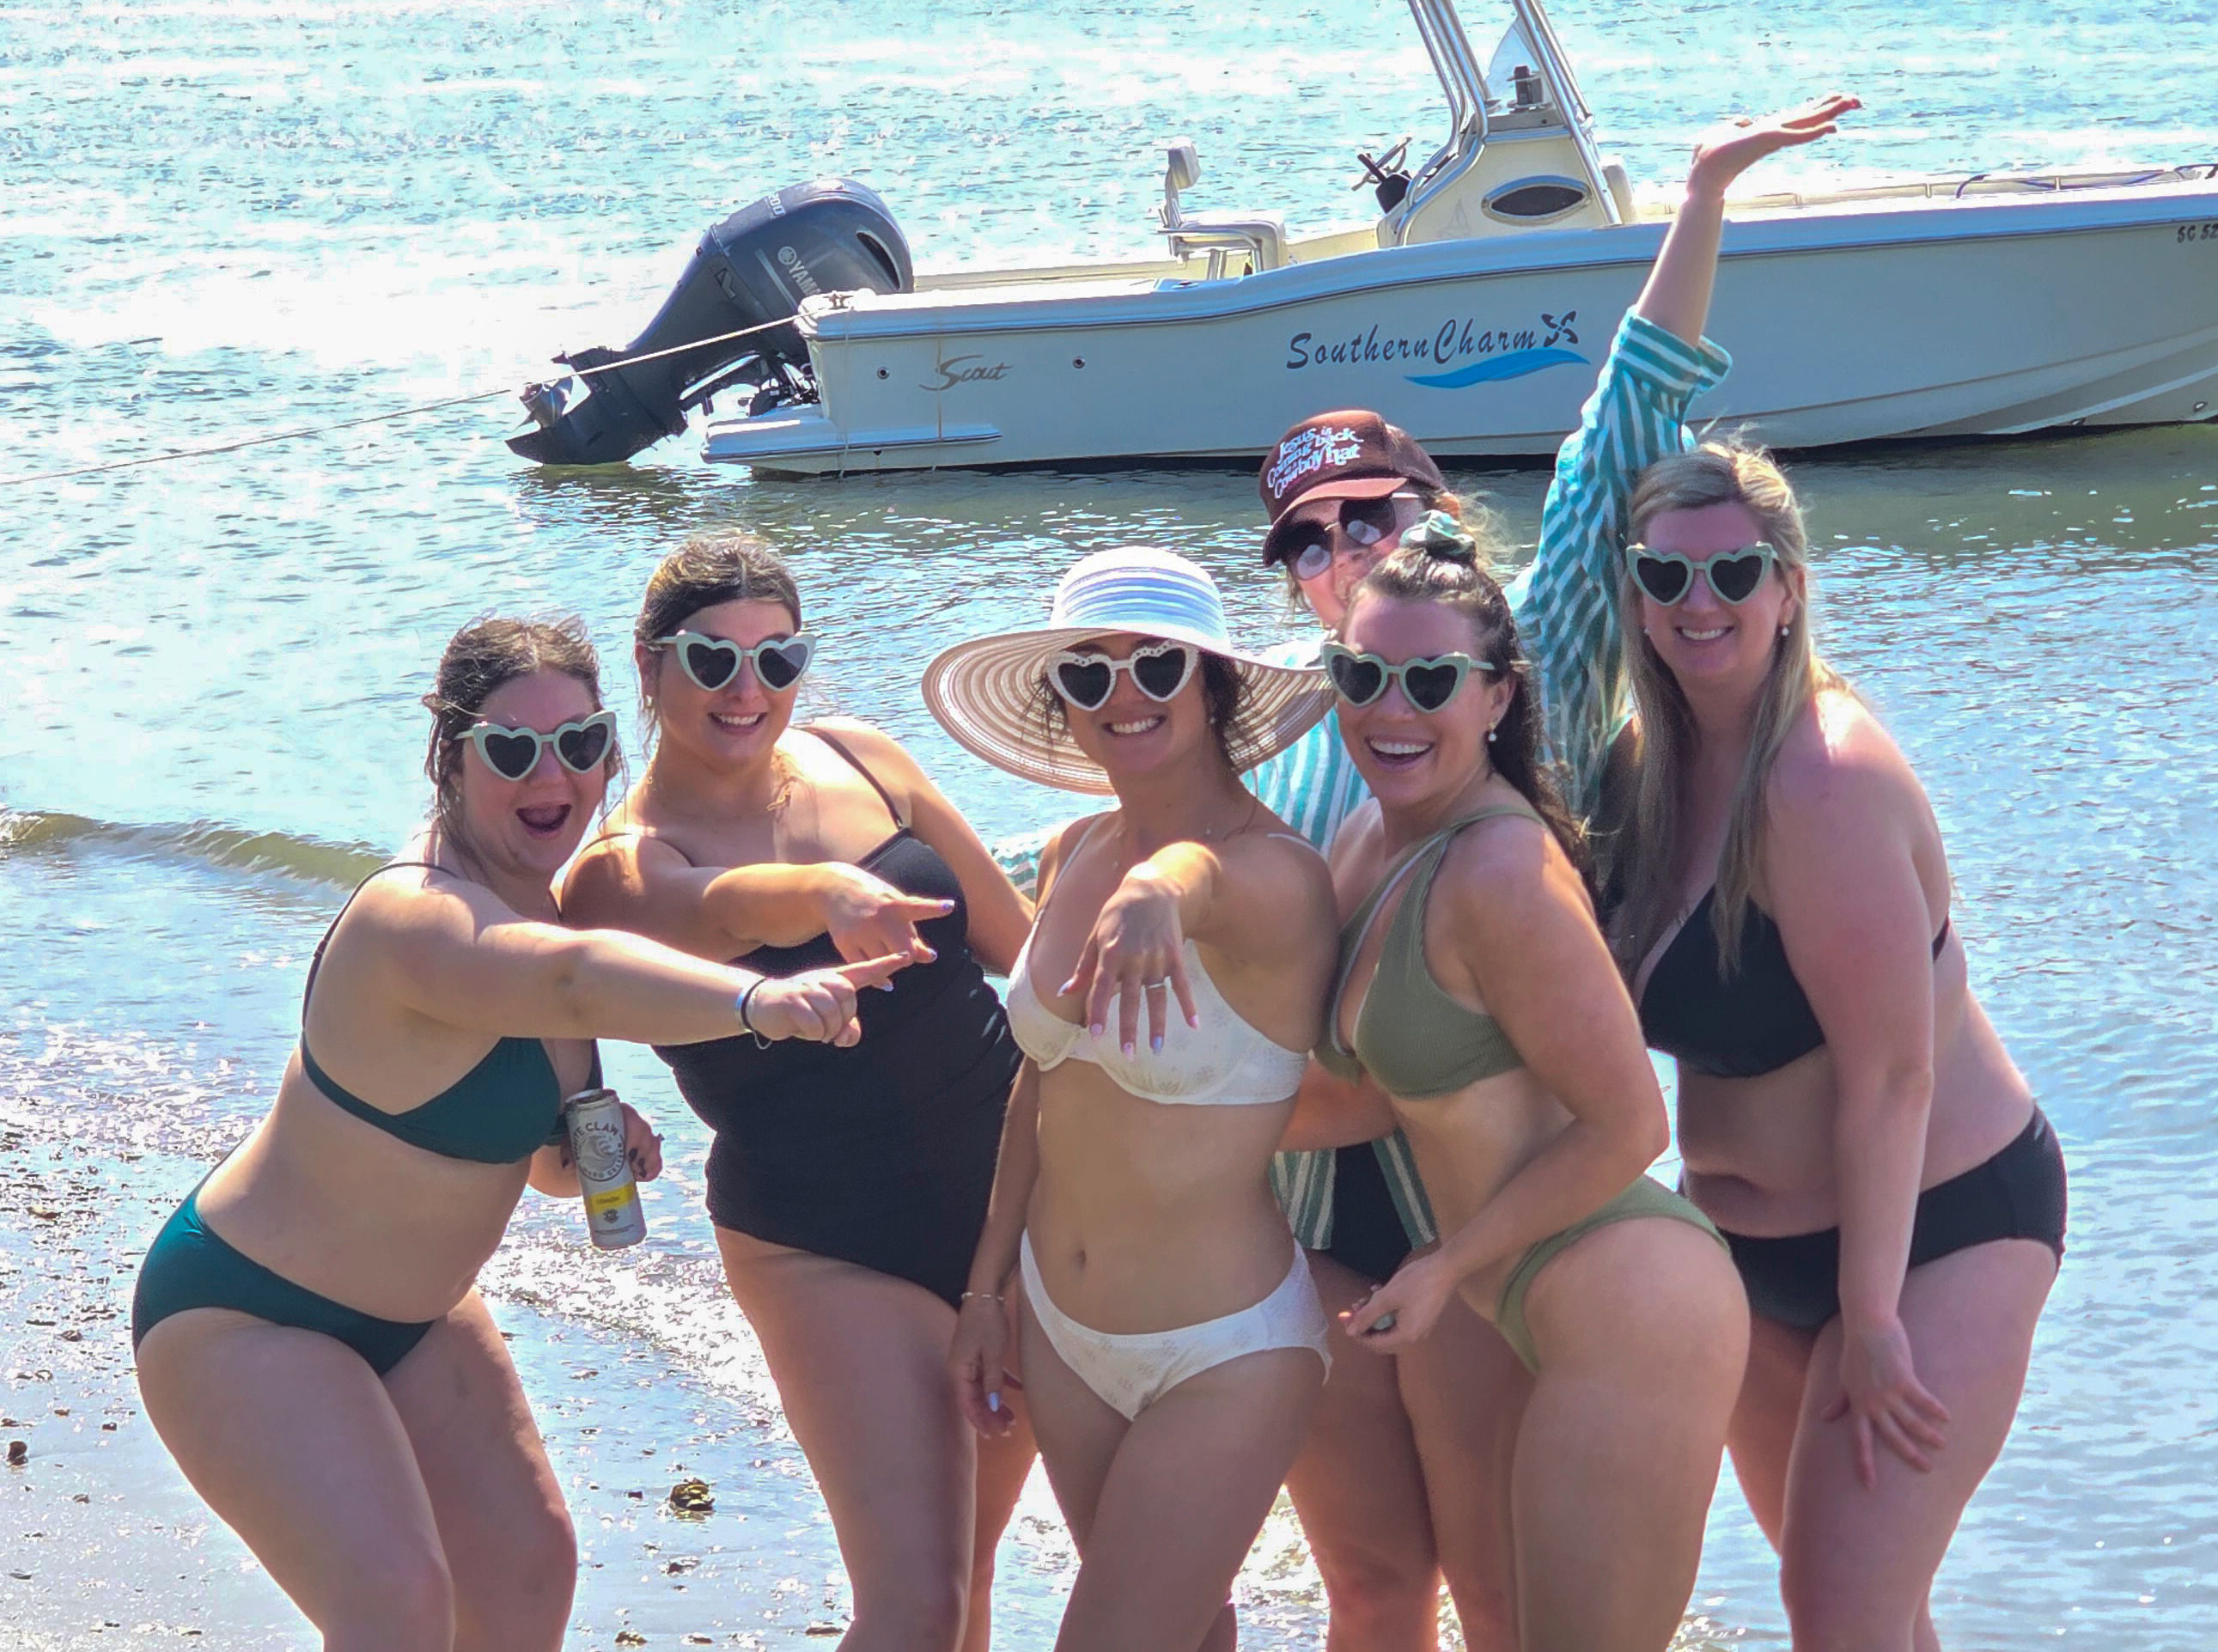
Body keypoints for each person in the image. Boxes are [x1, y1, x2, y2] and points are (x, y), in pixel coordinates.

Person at [1243, 92, 1862, 1651]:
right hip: (1335, 1219)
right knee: (1378, 1589)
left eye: (1372, 517)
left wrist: (1704, 196)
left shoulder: (1526, 662)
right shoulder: (1271, 743)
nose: (1339, 552)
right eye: (1304, 541)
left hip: (1521, 1210)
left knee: (1524, 1601)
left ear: (1439, 525)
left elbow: (1620, 431)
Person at [131, 615, 894, 1651]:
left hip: (426, 1316)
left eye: (581, 744)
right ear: (451, 754)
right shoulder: (416, 916)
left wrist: (587, 1148)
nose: (553, 774)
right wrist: (758, 1001)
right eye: (513, 747)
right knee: (395, 1603)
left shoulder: (543, 903)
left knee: (528, 1572)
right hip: (247, 1314)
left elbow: (532, 1163)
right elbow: (567, 982)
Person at [1594, 446, 2068, 1650]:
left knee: (1838, 1617)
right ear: (1636, 590)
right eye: (1668, 574)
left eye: (1733, 571)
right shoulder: (1641, 770)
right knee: (1871, 1615)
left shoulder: (1826, 776)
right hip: (1746, 1253)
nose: (1701, 602)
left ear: (1787, 587)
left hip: (1935, 1231)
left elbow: (1892, 1071)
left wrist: (1870, 1314)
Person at [559, 532, 1035, 1652]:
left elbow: (1026, 944)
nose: (748, 688)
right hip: (824, 1238)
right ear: (648, 663)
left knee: (967, 1575)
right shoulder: (615, 869)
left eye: (778, 659)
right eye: (712, 658)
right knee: (911, 1604)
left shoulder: (865, 759)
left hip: (1015, 1204)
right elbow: (723, 911)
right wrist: (827, 888)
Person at [1303, 528, 1746, 1652]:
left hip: (1626, 1297)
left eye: (1430, 680)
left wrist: (1446, 1258)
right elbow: (1371, 1095)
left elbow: (1630, 1122)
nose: (1389, 707)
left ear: (1496, 694)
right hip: (1495, 1290)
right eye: (1362, 675)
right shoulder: (1371, 836)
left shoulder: (1498, 867)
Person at [930, 548, 1342, 1652]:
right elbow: (1042, 1085)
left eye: (1159, 666)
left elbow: (1203, 882)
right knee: (1187, 1633)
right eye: (1091, 671)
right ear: (1061, 702)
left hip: (1224, 1348)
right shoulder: (1075, 849)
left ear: (1215, 688)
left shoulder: (1276, 875)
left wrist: (1163, 887)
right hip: (1062, 1337)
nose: (1126, 695)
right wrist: (985, 1288)